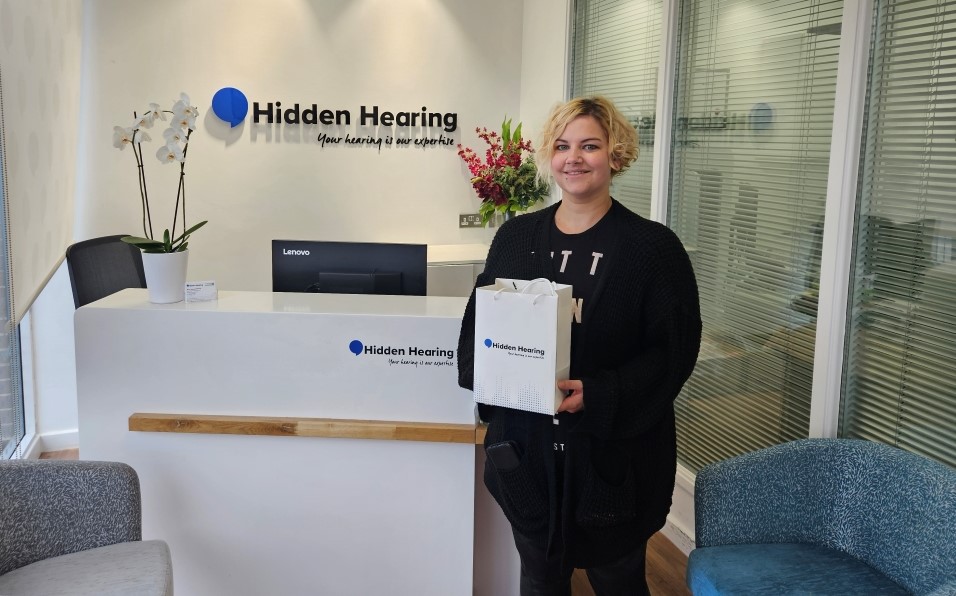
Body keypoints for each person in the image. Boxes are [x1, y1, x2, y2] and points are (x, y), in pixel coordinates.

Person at [457, 96, 702, 595]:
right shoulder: (516, 238)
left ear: (615, 153)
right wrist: (489, 377)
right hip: (528, 455)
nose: (574, 158)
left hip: (613, 460)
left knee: (618, 576)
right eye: (564, 146)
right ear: (550, 156)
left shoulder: (651, 249)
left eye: (590, 145)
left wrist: (601, 392)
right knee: (540, 575)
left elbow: (672, 352)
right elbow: (479, 326)